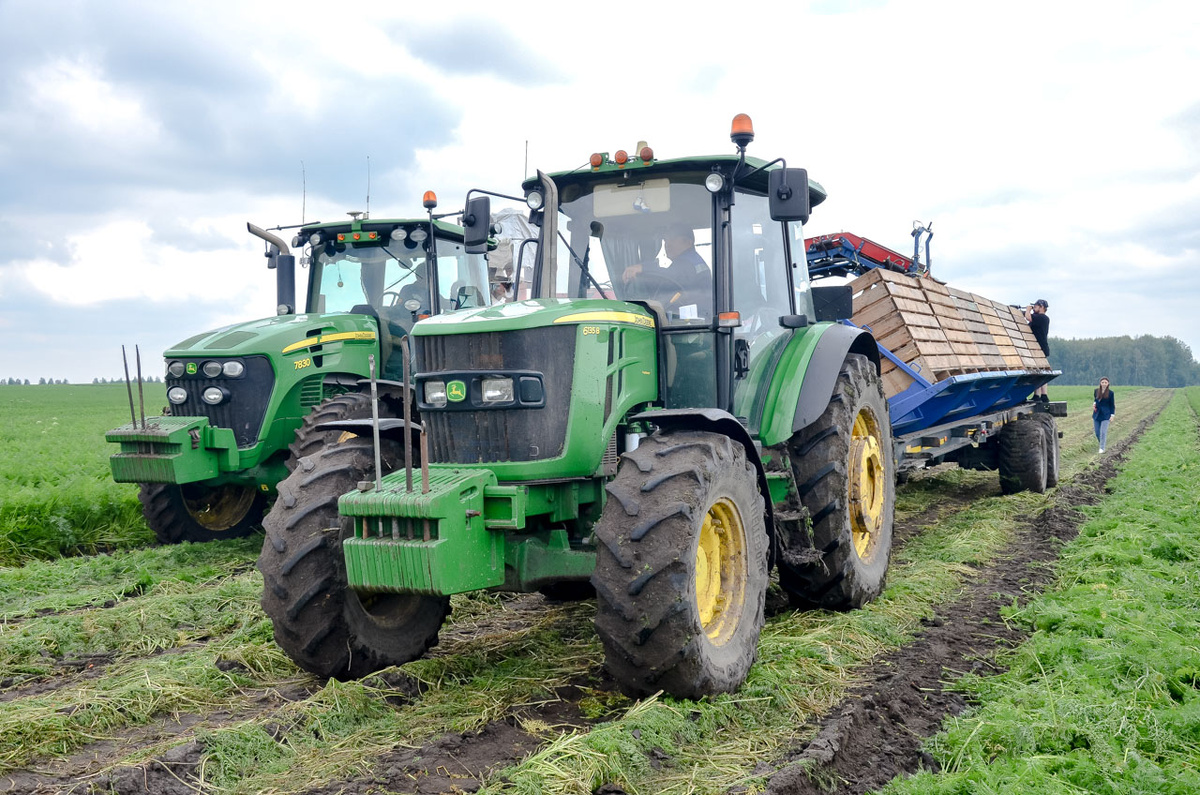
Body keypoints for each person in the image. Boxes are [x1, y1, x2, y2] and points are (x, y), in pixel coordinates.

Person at [621, 226, 711, 315]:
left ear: (688, 242)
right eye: (665, 240)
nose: (667, 244)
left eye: (672, 239)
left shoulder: (688, 262)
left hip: (698, 319)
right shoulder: (692, 261)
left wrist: (643, 268)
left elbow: (672, 275)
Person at [1025, 298, 1051, 402]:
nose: (1034, 308)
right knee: (1038, 373)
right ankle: (1037, 395)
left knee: (1042, 372)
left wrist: (1027, 310)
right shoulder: (1037, 318)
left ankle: (1043, 395)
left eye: (1036, 306)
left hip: (1041, 348)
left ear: (1042, 307)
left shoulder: (1043, 318)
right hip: (1035, 349)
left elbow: (1029, 318)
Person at [1093, 377, 1115, 453]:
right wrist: (1094, 404)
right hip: (1097, 415)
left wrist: (1112, 415)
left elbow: (1112, 405)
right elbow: (1095, 400)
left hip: (1106, 415)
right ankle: (1102, 443)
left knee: (1103, 432)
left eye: (1105, 382)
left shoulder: (1111, 393)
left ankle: (1102, 448)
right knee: (1097, 432)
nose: (1104, 384)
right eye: (1103, 382)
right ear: (1100, 383)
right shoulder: (1096, 391)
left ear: (1108, 383)